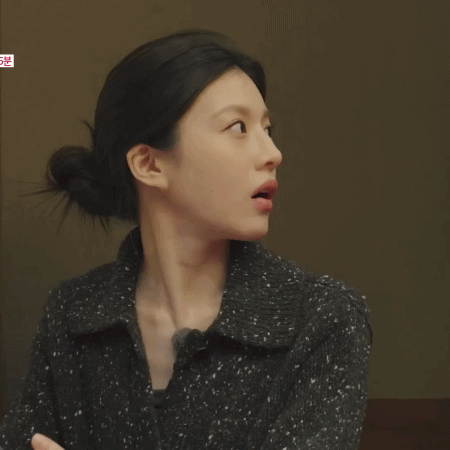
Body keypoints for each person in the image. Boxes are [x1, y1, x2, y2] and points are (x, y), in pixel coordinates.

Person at [1, 28, 373, 450]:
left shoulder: (324, 318)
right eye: (238, 127)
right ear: (148, 164)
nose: (273, 153)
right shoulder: (72, 316)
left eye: (268, 129)